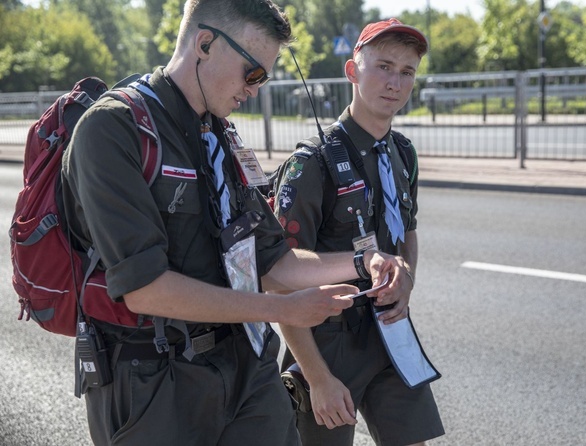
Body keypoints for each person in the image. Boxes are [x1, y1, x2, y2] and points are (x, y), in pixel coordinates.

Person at [61, 1, 412, 445]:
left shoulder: (222, 135)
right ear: (204, 44)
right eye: (253, 73)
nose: (256, 90)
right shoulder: (112, 129)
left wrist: (367, 261)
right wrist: (282, 309)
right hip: (154, 380)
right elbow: (146, 287)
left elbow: (276, 261)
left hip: (248, 369)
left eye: (264, 76)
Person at [273, 18, 445, 445]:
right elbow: (279, 280)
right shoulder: (312, 162)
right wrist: (316, 378)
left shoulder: (402, 152)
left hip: (389, 331)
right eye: (383, 66)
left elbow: (407, 230)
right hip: (326, 343)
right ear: (353, 71)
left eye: (407, 72)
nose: (395, 82)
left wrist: (407, 282)